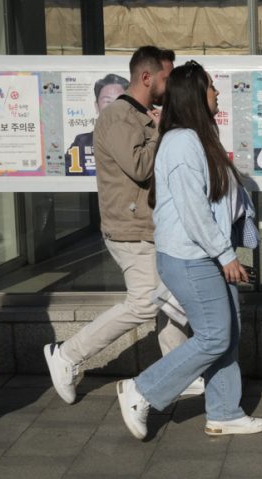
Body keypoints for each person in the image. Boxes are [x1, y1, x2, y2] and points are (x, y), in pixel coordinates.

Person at [115, 60, 262, 440]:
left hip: (207, 253)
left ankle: (224, 411)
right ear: (195, 96)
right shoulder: (182, 141)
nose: (217, 93)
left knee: (227, 334)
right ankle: (141, 390)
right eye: (212, 87)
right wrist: (225, 255)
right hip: (191, 257)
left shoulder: (199, 137)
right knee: (215, 335)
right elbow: (193, 210)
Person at [44, 46, 198, 405]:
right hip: (129, 229)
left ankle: (178, 373)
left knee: (172, 300)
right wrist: (161, 130)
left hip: (150, 226)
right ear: (147, 77)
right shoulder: (117, 117)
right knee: (146, 302)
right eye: (165, 77)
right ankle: (67, 355)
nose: (169, 83)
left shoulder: (141, 114)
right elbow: (140, 167)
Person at [65, 73, 129, 175]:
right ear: (96, 106)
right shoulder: (82, 142)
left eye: (119, 101)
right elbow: (69, 173)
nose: (113, 107)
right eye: (107, 101)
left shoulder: (138, 138)